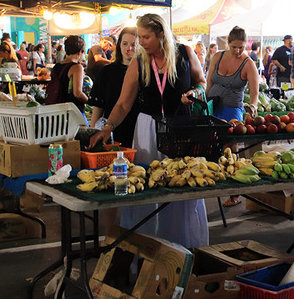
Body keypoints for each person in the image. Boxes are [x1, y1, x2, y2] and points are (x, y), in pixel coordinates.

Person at [89, 14, 208, 248]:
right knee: (146, 187)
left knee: (181, 186)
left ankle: (182, 248)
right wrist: (107, 127)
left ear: (161, 34)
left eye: (145, 37)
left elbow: (202, 82)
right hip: (148, 130)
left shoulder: (185, 53)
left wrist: (195, 93)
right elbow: (124, 103)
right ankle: (143, 251)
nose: (140, 43)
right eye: (139, 37)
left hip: (180, 129)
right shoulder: (139, 62)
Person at [207, 26, 259, 207]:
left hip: (232, 111)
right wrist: (205, 103)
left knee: (231, 150)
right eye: (234, 47)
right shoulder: (217, 56)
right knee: (213, 146)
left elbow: (254, 92)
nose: (237, 51)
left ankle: (234, 193)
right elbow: (209, 81)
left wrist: (252, 107)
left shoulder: (248, 64)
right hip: (214, 107)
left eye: (241, 47)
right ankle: (214, 182)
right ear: (228, 43)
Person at [90, 27, 139, 148]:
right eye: (125, 44)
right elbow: (98, 106)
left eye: (134, 44)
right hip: (112, 131)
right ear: (118, 45)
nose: (129, 49)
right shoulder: (107, 71)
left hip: (138, 131)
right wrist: (93, 132)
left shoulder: (145, 72)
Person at [48, 36, 88, 118]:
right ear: (80, 52)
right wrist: (90, 102)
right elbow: (77, 93)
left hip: (57, 109)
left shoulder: (57, 66)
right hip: (73, 112)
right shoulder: (76, 67)